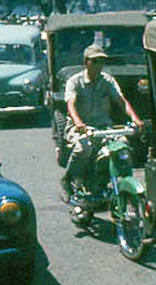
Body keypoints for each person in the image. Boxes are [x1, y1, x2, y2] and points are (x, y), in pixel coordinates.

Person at [60, 44, 145, 200]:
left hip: (103, 127)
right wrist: (78, 122)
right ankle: (69, 179)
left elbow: (121, 101)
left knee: (122, 145)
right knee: (83, 148)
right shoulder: (75, 81)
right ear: (86, 62)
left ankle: (113, 180)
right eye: (95, 61)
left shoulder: (108, 80)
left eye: (101, 61)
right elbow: (70, 104)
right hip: (80, 127)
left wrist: (135, 118)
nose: (99, 65)